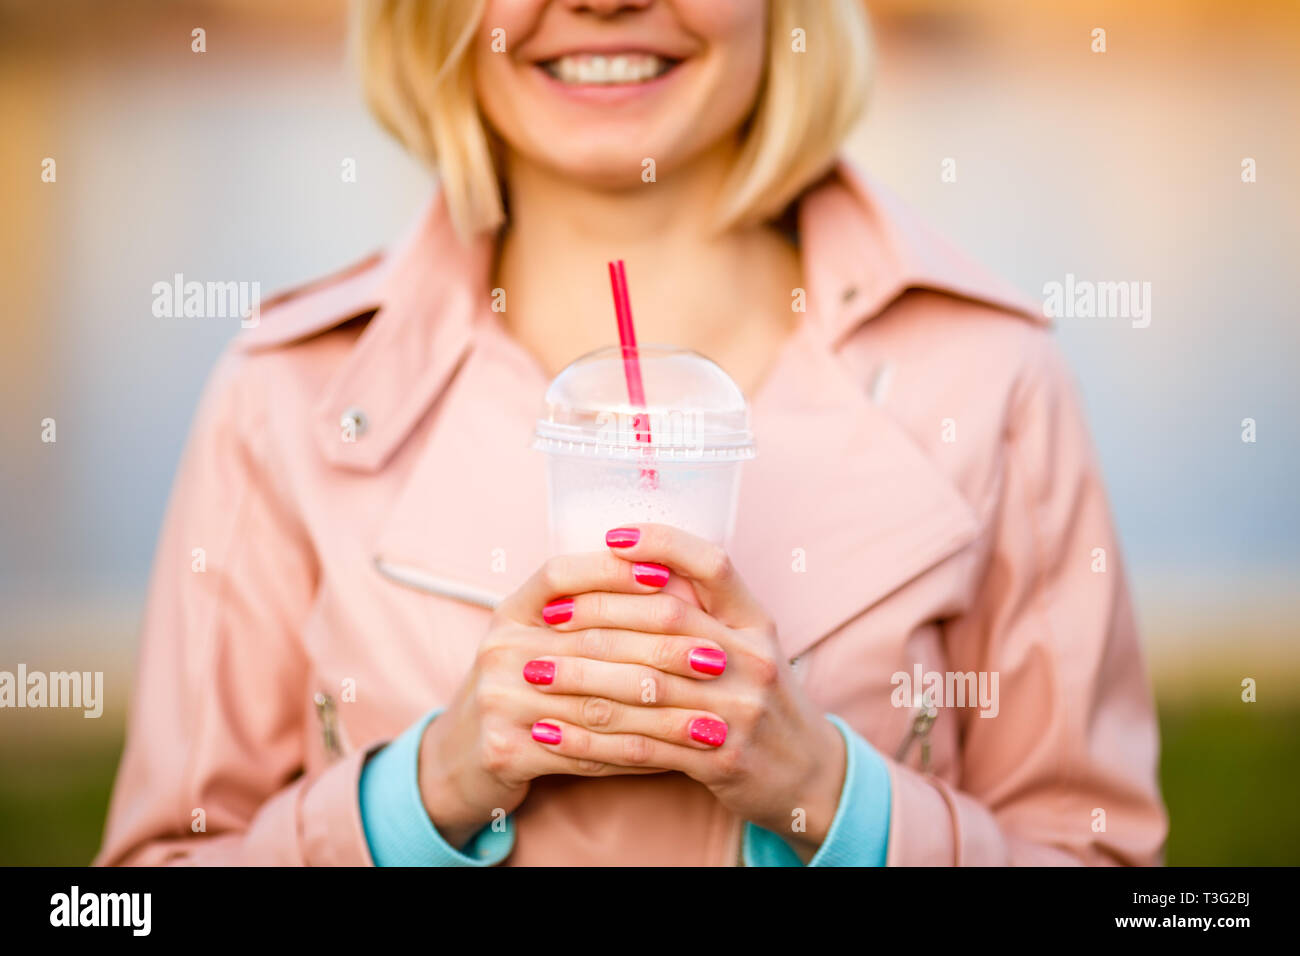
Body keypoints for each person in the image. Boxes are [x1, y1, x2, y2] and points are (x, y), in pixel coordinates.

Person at [97, 0, 1167, 866]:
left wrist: (836, 802)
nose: (604, 2)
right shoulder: (285, 393)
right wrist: (419, 794)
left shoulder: (990, 379)